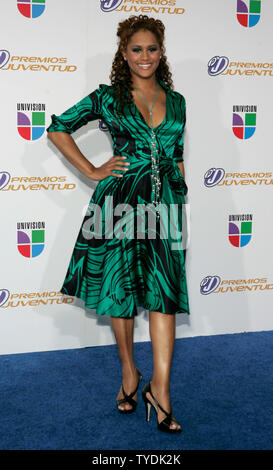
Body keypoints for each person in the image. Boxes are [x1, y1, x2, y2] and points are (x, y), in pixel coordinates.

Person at [46, 14, 190, 434]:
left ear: (161, 53)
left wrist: (179, 195)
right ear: (123, 53)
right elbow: (57, 129)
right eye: (136, 49)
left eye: (151, 49)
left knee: (164, 296)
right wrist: (92, 170)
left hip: (165, 209)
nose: (144, 56)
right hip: (122, 205)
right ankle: (130, 373)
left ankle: (160, 391)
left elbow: (177, 153)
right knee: (121, 293)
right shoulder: (109, 97)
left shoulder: (177, 100)